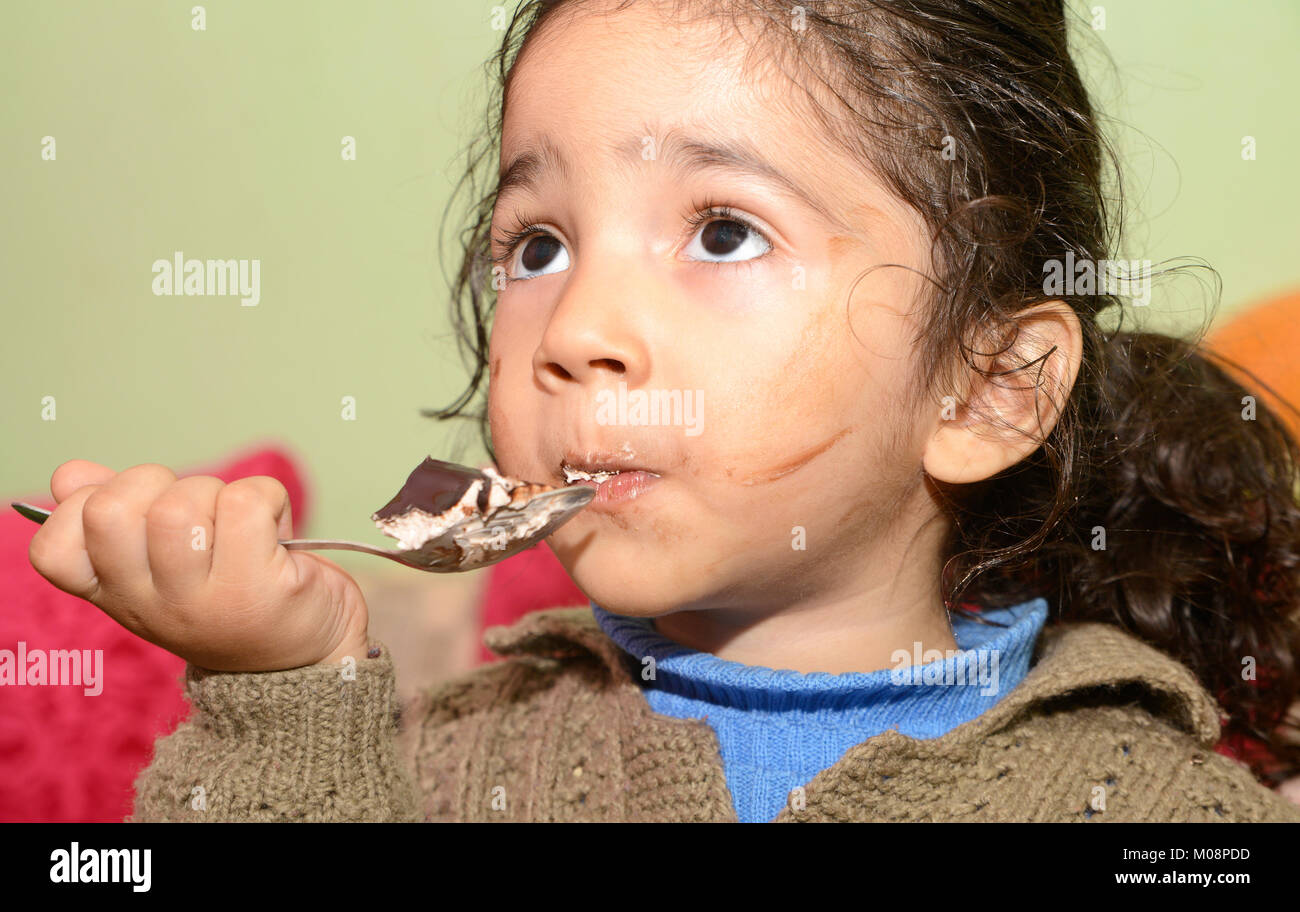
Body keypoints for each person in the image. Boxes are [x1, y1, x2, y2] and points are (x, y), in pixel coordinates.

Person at [29, 0, 1300, 821]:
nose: (573, 330)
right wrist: (281, 691)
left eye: (724, 230)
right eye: (536, 249)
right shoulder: (439, 771)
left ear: (988, 388)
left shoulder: (1156, 816)